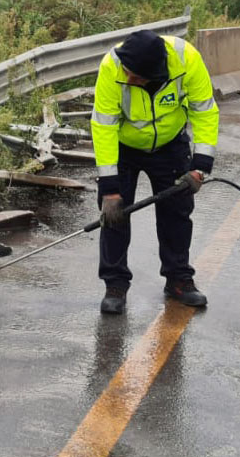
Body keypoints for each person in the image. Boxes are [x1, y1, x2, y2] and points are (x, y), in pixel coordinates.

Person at [91, 29, 219, 315]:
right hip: (124, 147)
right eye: (127, 72)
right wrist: (109, 188)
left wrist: (200, 167)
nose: (127, 78)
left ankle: (178, 279)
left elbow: (205, 110)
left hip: (170, 143)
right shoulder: (112, 67)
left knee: (177, 211)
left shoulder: (187, 59)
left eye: (135, 76)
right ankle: (115, 284)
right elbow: (103, 126)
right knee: (114, 216)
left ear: (156, 74)